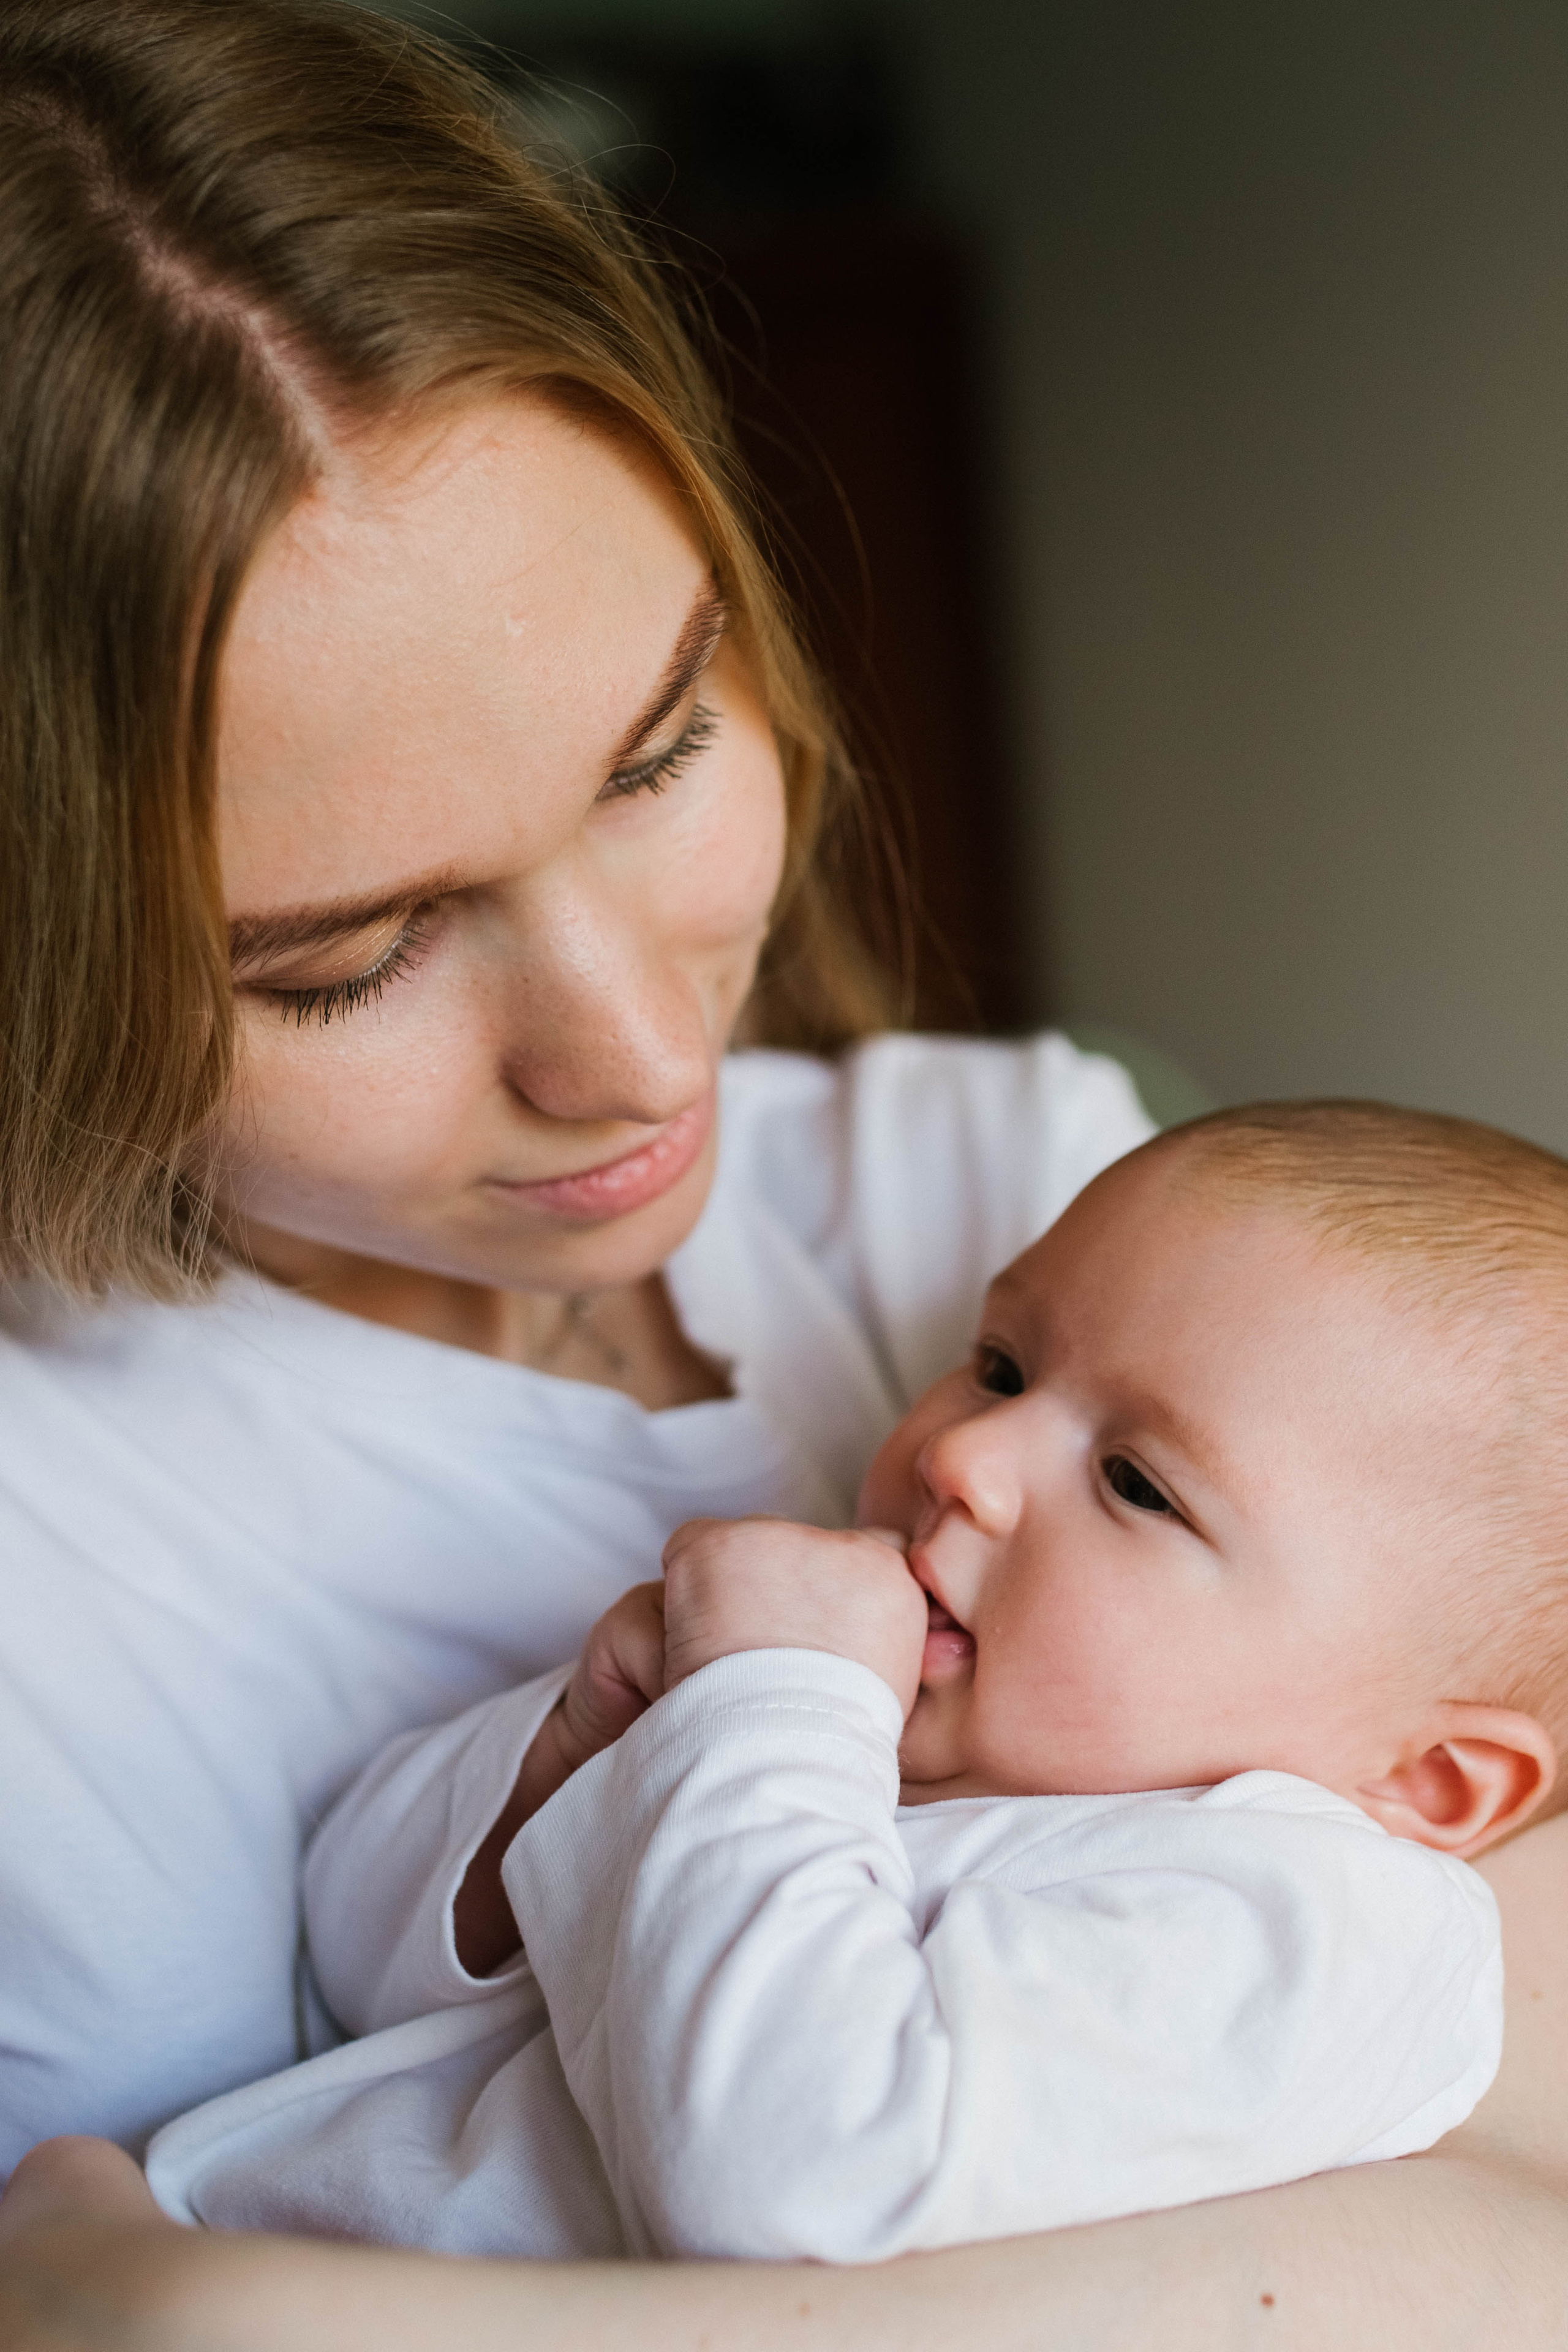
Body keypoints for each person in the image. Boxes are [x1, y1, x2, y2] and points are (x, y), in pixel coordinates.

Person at [1, 2, 1567, 2346]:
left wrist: (218, 2329)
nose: (644, 1064)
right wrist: (583, 1746)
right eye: (345, 958)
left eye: (656, 754)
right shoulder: (68, 1562)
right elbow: (373, 1943)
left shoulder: (1038, 1214)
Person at [148, 1101, 1560, 2256]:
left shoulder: (1317, 1930)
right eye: (1000, 1367)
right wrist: (577, 1748)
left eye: (1135, 1483)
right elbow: (344, 1953)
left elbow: (786, 2178)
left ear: (1425, 1780)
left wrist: (771, 1703)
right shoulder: (836, 1724)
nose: (964, 1457)